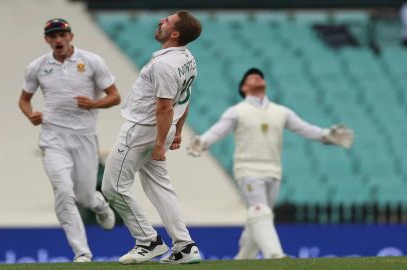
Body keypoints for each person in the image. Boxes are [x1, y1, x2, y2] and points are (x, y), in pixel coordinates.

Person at [187, 68, 354, 260]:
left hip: (273, 170)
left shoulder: (280, 111)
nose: (258, 77)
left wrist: (327, 135)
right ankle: (275, 255)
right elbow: (218, 131)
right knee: (260, 210)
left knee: (258, 218)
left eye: (260, 76)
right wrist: (203, 141)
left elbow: (305, 128)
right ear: (244, 87)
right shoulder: (237, 111)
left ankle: (243, 259)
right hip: (248, 169)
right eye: (252, 77)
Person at [101, 11, 202, 265]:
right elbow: (185, 98)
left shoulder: (164, 65)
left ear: (175, 33)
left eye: (167, 21)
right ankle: (185, 246)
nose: (161, 22)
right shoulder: (187, 58)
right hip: (161, 129)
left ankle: (148, 241)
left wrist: (159, 144)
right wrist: (176, 132)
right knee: (160, 187)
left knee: (113, 188)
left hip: (143, 130)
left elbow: (165, 107)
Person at [18, 18, 121, 263]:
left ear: (70, 37)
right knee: (64, 192)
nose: (57, 40)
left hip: (84, 137)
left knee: (85, 196)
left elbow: (115, 97)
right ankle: (82, 253)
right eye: (52, 36)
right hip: (53, 138)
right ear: (47, 40)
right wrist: (30, 114)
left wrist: (94, 103)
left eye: (61, 35)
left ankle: (99, 205)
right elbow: (24, 99)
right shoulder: (37, 66)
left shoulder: (92, 61)